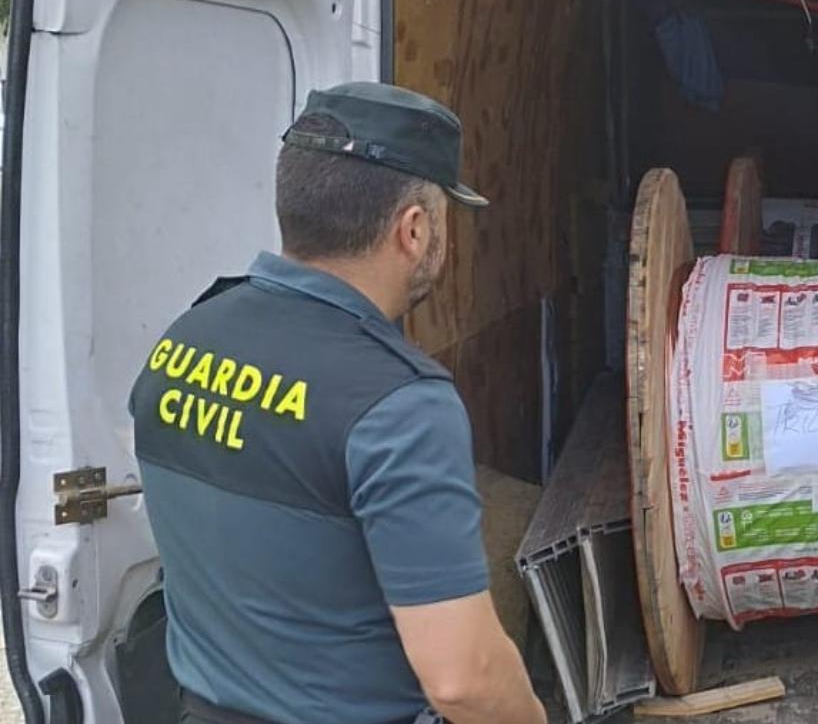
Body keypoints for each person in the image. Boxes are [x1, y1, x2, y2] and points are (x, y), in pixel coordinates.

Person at [130, 82, 547, 724]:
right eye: (443, 218)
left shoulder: (183, 341)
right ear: (413, 230)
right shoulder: (399, 405)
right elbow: (464, 680)